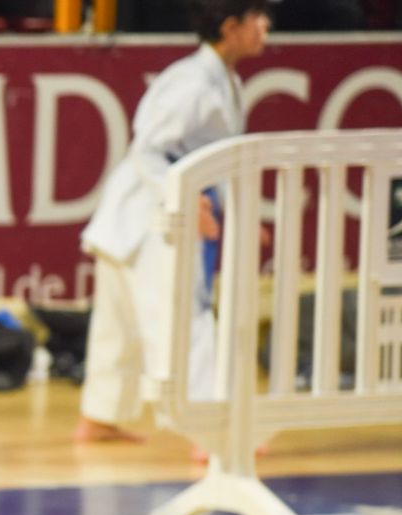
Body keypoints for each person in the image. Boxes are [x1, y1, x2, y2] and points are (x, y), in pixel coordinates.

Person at [74, 0, 269, 444]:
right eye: (256, 18)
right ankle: (211, 436)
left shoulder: (219, 79)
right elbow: (149, 148)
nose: (266, 27)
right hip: (153, 218)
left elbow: (216, 160)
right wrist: (186, 198)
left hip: (137, 215)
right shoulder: (193, 83)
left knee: (118, 326)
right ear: (230, 27)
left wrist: (242, 215)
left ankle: (99, 418)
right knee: (185, 319)